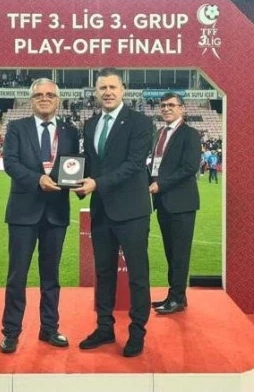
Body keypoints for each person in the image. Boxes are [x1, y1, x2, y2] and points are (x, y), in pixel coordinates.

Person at [73, 68, 153, 358]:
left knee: (138, 275)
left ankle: (137, 331)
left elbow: (134, 164)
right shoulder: (91, 124)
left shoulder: (141, 122)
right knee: (104, 272)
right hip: (102, 210)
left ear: (123, 90)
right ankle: (104, 328)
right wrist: (76, 181)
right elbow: (91, 162)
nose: (107, 92)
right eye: (102, 88)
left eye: (112, 87)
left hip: (132, 211)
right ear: (96, 92)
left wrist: (96, 183)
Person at [0, 78, 80, 354]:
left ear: (58, 100)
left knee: (51, 275)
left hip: (56, 212)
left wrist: (78, 183)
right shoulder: (16, 128)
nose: (44, 99)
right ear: (31, 100)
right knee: (17, 275)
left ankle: (49, 328)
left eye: (49, 95)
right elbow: (10, 163)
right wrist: (38, 179)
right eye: (38, 95)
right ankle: (11, 332)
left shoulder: (70, 131)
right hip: (23, 212)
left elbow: (74, 165)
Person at [148, 93, 201, 315]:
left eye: (171, 105)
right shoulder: (159, 133)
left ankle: (177, 298)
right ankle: (176, 295)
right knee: (171, 251)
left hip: (181, 202)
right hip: (163, 202)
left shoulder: (190, 134)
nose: (166, 108)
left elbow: (189, 168)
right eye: (163, 105)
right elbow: (154, 165)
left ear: (182, 108)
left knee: (180, 252)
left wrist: (160, 184)